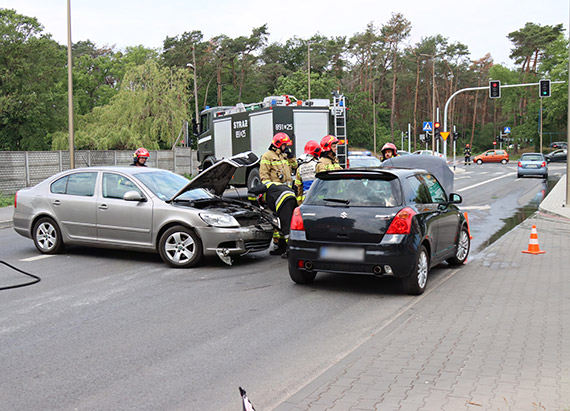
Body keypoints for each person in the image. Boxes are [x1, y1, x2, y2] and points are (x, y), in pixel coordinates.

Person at [248, 181, 296, 257]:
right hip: (293, 198)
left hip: (284, 200)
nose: (265, 203)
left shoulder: (266, 186)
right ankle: (282, 248)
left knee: (286, 229)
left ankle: (291, 252)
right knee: (283, 226)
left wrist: (254, 203)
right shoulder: (275, 187)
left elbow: (252, 191)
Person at [294, 140, 321, 205]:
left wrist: (299, 203)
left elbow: (298, 187)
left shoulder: (300, 168)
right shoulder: (317, 165)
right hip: (317, 199)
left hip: (305, 200)